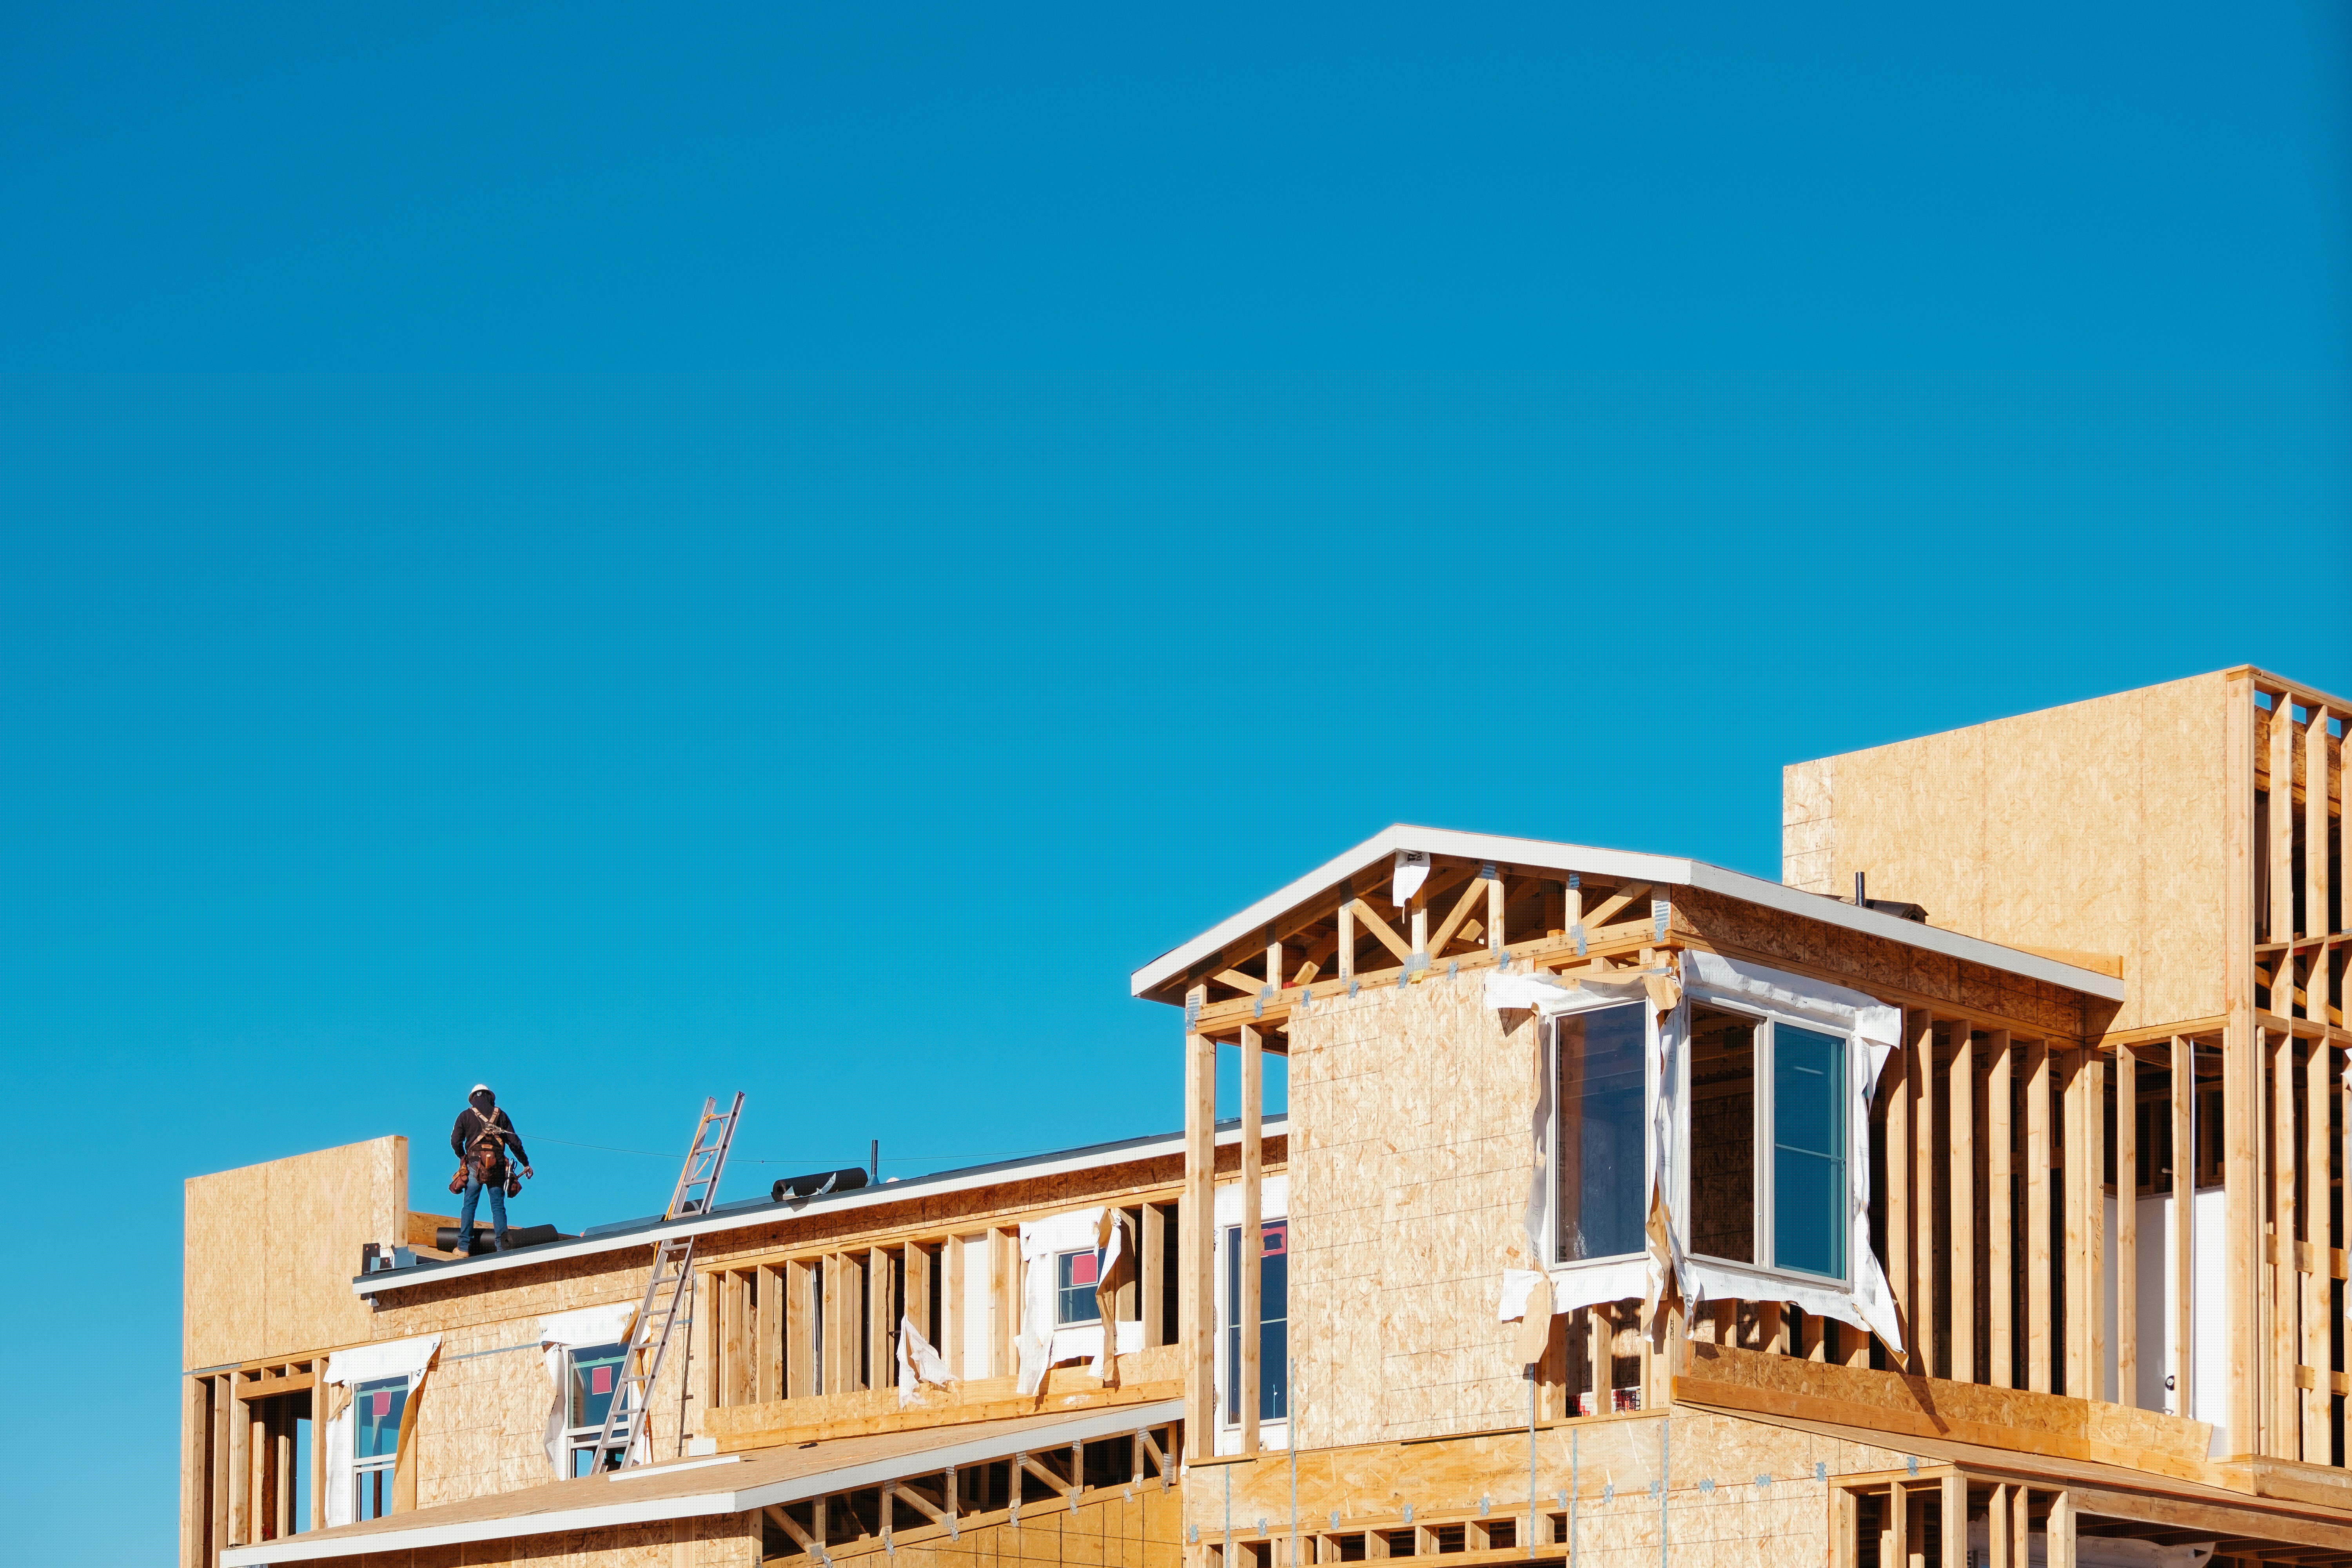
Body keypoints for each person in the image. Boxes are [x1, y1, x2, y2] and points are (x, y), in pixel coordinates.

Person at [451, 1084, 534, 1253]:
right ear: (490, 1097)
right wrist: (525, 1163)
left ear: (473, 1098)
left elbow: (455, 1141)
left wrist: (462, 1156)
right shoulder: (501, 1115)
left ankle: (463, 1248)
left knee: (469, 1205)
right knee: (498, 1206)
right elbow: (515, 1143)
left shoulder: (465, 1116)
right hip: (497, 1167)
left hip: (474, 1164)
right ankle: (502, 1248)